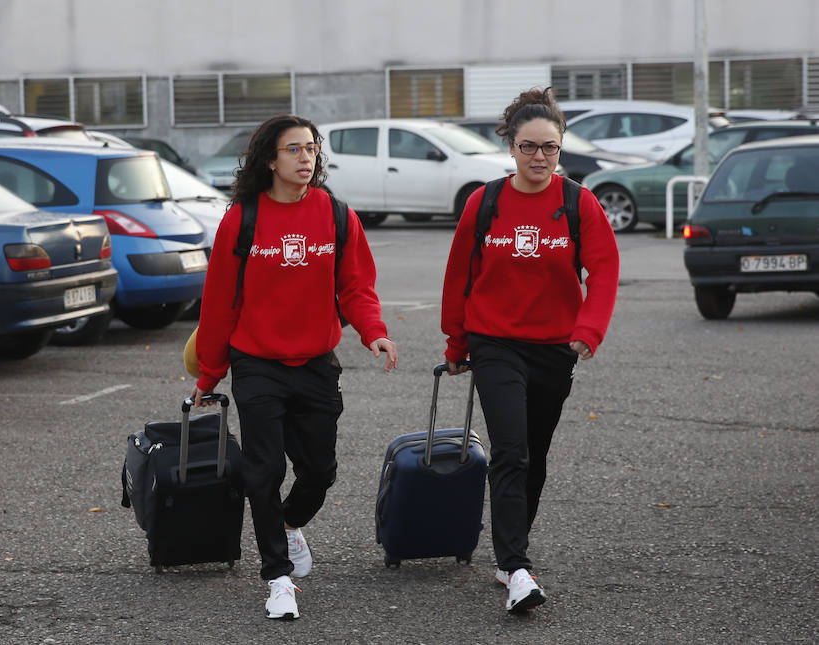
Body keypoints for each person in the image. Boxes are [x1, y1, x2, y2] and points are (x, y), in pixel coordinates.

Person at [192, 114, 398, 621]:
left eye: (311, 149)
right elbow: (219, 305)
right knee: (264, 470)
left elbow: (355, 287)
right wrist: (209, 375)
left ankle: (287, 523)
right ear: (269, 159)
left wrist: (374, 332)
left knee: (320, 471)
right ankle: (277, 578)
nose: (306, 158)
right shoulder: (242, 219)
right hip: (257, 362)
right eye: (294, 150)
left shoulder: (336, 215)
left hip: (315, 363)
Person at [440, 87, 619, 614]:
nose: (539, 157)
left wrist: (589, 329)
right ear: (510, 147)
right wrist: (457, 341)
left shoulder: (576, 202)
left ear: (560, 148)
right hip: (495, 343)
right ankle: (517, 566)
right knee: (511, 451)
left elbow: (605, 270)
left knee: (533, 456)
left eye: (550, 148)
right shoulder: (485, 201)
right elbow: (460, 276)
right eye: (528, 147)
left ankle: (507, 555)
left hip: (554, 348)